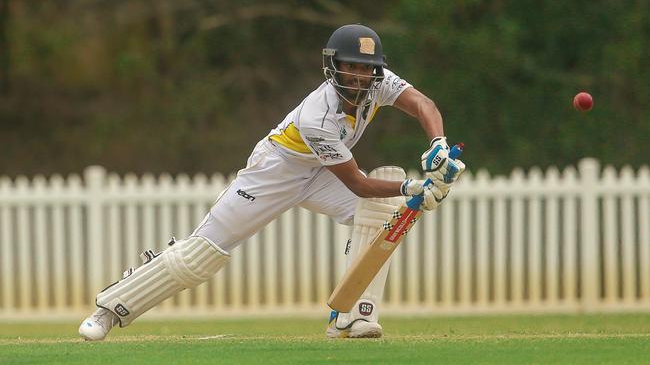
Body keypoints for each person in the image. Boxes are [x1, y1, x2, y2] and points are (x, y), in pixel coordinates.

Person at [78, 23, 466, 341]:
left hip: (319, 174)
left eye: (367, 69)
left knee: (377, 215)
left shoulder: (377, 83)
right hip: (276, 170)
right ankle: (112, 305)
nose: (361, 76)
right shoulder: (319, 116)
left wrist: (438, 144)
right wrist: (413, 189)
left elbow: (422, 104)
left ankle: (351, 317)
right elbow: (358, 184)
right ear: (334, 68)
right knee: (204, 252)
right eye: (352, 67)